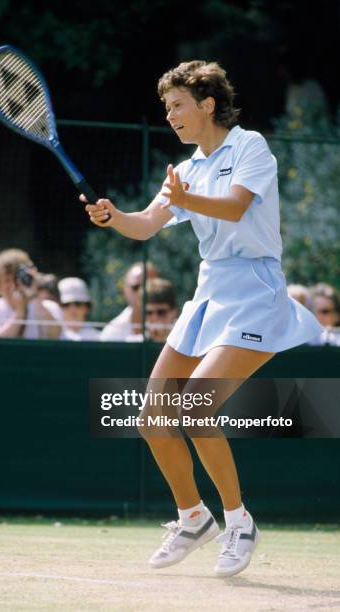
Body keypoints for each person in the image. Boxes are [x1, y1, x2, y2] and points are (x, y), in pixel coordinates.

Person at [82, 60, 323, 577]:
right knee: (153, 418)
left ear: (208, 103)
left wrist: (187, 199)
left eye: (178, 105)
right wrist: (113, 215)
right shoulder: (186, 170)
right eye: (166, 108)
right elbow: (146, 225)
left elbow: (236, 208)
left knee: (194, 410)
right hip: (209, 291)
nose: (170, 116)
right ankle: (193, 518)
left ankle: (239, 522)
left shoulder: (250, 146)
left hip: (256, 290)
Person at [0, 249, 64, 340]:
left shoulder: (50, 307)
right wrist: (20, 312)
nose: (14, 285)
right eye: (7, 280)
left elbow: (56, 336)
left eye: (16, 278)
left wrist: (35, 296)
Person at [100, 261, 160, 341]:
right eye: (136, 287)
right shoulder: (112, 332)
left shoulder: (175, 329)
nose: (142, 292)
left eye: (149, 286)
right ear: (124, 291)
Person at [143, 278, 178, 343]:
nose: (154, 318)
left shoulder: (184, 342)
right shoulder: (137, 343)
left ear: (174, 312)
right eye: (149, 313)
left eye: (161, 312)